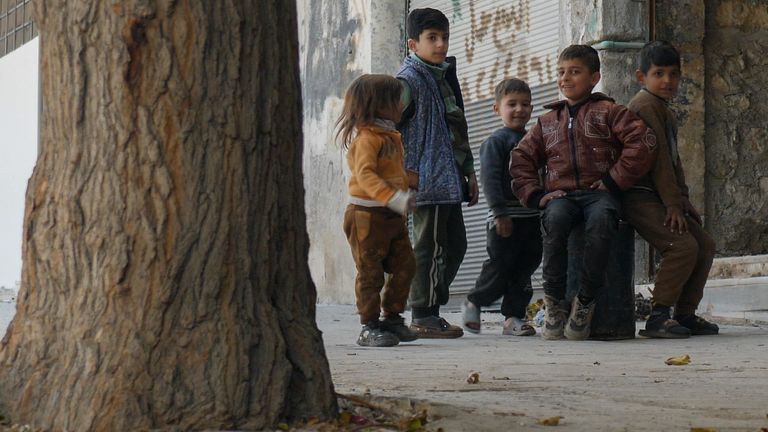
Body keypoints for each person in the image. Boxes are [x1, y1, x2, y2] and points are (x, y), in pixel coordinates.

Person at [510, 45, 656, 340]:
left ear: (594, 77)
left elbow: (642, 142)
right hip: (561, 196)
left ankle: (584, 302)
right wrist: (537, 196)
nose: (565, 78)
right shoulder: (546, 122)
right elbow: (520, 158)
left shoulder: (610, 112)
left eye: (574, 72)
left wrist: (614, 181)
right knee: (555, 224)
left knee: (603, 222)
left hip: (599, 194)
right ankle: (554, 303)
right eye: (561, 72)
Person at [625, 41, 718, 338]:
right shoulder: (644, 106)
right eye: (659, 73)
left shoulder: (662, 108)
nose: (668, 81)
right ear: (642, 77)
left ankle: (685, 314)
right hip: (639, 195)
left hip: (662, 195)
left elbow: (673, 162)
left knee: (704, 244)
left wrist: (683, 200)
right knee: (682, 246)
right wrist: (673, 206)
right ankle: (658, 316)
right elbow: (659, 163)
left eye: (674, 74)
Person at [396, 8, 478, 338]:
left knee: (455, 246)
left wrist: (469, 172)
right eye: (432, 38)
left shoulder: (442, 76)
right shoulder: (408, 81)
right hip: (425, 180)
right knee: (427, 248)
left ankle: (423, 301)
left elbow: (457, 128)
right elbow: (388, 128)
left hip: (448, 180)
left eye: (444, 37)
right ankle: (423, 314)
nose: (441, 44)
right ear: (413, 45)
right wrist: (402, 174)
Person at [337, 74, 419, 347]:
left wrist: (407, 181)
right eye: (397, 100)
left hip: (391, 216)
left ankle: (392, 318)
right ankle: (369, 325)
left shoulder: (390, 136)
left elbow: (388, 172)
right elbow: (365, 175)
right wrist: (393, 197)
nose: (401, 105)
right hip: (366, 216)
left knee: (405, 264)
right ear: (379, 105)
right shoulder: (367, 139)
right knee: (370, 271)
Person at [461, 78, 542, 336]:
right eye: (512, 104)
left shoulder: (533, 140)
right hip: (505, 217)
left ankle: (513, 319)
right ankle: (474, 301)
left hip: (531, 218)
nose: (520, 109)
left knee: (525, 269)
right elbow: (490, 179)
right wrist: (499, 213)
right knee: (501, 265)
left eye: (526, 104)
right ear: (497, 108)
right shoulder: (496, 142)